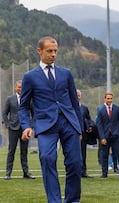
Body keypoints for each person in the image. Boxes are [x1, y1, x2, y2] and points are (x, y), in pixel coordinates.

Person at [19, 36, 83, 203]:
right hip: (46, 124)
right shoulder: (29, 77)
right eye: (49, 51)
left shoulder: (66, 74)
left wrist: (79, 127)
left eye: (55, 51)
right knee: (47, 159)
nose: (53, 54)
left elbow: (75, 103)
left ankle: (73, 200)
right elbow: (24, 106)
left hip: (69, 123)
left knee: (75, 164)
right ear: (39, 51)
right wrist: (26, 126)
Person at [2, 80, 35, 180]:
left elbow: (34, 113)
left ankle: (26, 173)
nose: (20, 89)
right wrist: (8, 124)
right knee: (11, 151)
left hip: (25, 129)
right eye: (19, 87)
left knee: (24, 151)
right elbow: (4, 113)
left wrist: (31, 126)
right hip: (13, 128)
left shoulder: (29, 99)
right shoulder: (10, 99)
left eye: (22, 87)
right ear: (15, 88)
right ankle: (8, 173)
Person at [96, 92, 119, 179]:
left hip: (116, 136)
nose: (109, 100)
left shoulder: (117, 109)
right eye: (108, 98)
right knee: (104, 155)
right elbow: (99, 124)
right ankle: (104, 173)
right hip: (105, 136)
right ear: (104, 99)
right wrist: (102, 137)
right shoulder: (100, 109)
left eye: (111, 98)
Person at [77, 89, 93, 178]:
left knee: (83, 153)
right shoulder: (69, 107)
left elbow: (89, 119)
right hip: (72, 134)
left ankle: (83, 171)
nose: (77, 97)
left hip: (83, 135)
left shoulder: (84, 108)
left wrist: (89, 127)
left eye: (78, 95)